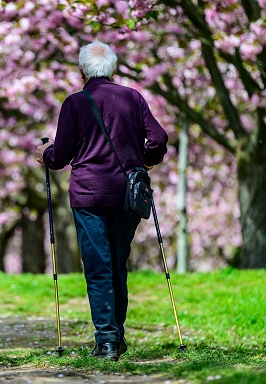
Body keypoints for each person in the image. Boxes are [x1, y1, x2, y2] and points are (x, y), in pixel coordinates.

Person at [35, 41, 168, 361]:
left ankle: (107, 340)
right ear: (112, 69)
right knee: (117, 264)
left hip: (89, 195)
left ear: (81, 72)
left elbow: (61, 156)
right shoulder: (133, 98)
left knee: (98, 268)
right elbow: (159, 139)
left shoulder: (75, 103)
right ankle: (116, 336)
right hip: (127, 195)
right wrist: (145, 161)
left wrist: (46, 154)